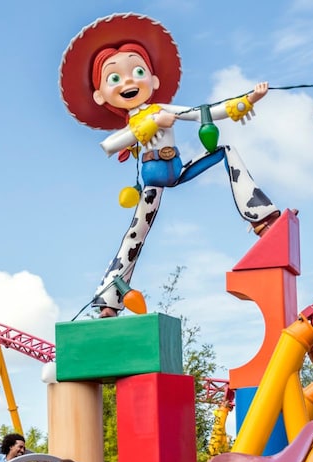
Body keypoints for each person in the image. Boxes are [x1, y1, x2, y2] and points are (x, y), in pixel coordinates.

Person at [60, 14, 280, 317]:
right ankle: (108, 299)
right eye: (114, 78)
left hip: (176, 170)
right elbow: (110, 145)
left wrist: (248, 99)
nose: (128, 81)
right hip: (152, 180)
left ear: (154, 80)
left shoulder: (163, 108)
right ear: (100, 94)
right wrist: (151, 124)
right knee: (136, 234)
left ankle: (260, 216)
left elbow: (205, 112)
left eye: (137, 71)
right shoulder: (141, 119)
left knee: (225, 151)